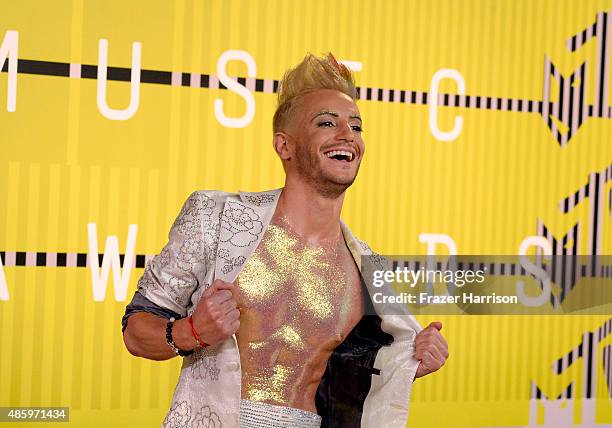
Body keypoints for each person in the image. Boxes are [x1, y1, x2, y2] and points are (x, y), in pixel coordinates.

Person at [122, 53, 449, 428]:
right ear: (285, 146)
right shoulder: (216, 217)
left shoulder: (368, 270)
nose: (348, 136)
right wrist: (191, 331)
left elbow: (349, 383)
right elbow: (136, 330)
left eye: (356, 127)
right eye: (327, 123)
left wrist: (409, 361)